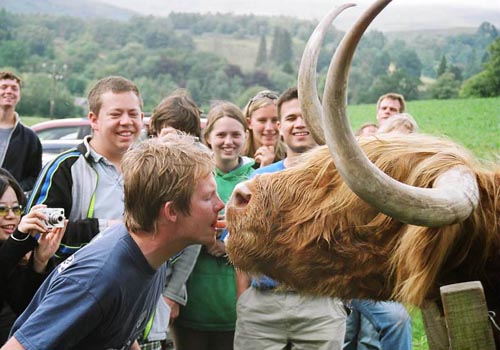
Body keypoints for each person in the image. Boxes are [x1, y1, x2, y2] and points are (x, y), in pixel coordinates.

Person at [1, 135, 225, 350]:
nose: (221, 205)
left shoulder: (154, 255)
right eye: (208, 197)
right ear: (171, 211)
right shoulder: (97, 280)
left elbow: (120, 337)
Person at [234, 87, 346, 350]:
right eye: (291, 117)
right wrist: (244, 299)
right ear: (280, 126)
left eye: (305, 116)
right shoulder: (259, 180)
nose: (299, 124)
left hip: (320, 305)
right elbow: (239, 246)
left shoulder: (339, 180)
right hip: (263, 305)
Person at [26, 76, 144, 262]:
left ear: (142, 118)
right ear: (94, 120)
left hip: (141, 286)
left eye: (133, 114)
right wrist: (107, 229)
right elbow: (39, 233)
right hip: (78, 285)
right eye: (115, 114)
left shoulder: (154, 169)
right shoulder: (64, 168)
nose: (126, 121)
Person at [172, 101, 255, 350]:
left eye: (235, 134)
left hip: (234, 306)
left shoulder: (258, 179)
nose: (228, 141)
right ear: (208, 138)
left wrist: (229, 247)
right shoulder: (193, 177)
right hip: (193, 303)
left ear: (246, 136)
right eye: (221, 135)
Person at [344, 94, 412, 350]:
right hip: (350, 270)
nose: (387, 111)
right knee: (348, 331)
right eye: (384, 108)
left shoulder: (410, 183)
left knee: (374, 334)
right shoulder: (361, 172)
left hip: (382, 275)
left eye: (393, 109)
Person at [140, 90, 205, 350]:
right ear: (154, 131)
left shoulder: (195, 175)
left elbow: (193, 243)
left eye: (182, 136)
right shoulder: (140, 163)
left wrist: (174, 292)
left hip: (167, 283)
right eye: (168, 133)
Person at [0, 168, 65, 345]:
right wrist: (18, 240)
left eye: (16, 208)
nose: (11, 216)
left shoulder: (16, 250)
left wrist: (40, 261)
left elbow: (24, 308)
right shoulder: (14, 247)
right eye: (2, 209)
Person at [0, 72, 42, 192]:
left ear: (19, 95)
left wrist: (13, 190)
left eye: (14, 88)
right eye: (3, 87)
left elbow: (35, 177)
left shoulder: (30, 138)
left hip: (9, 207)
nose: (9, 91)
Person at [242, 90, 286, 168]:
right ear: (249, 123)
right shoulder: (238, 161)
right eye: (262, 120)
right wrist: (265, 167)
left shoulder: (289, 159)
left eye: (275, 120)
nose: (269, 127)